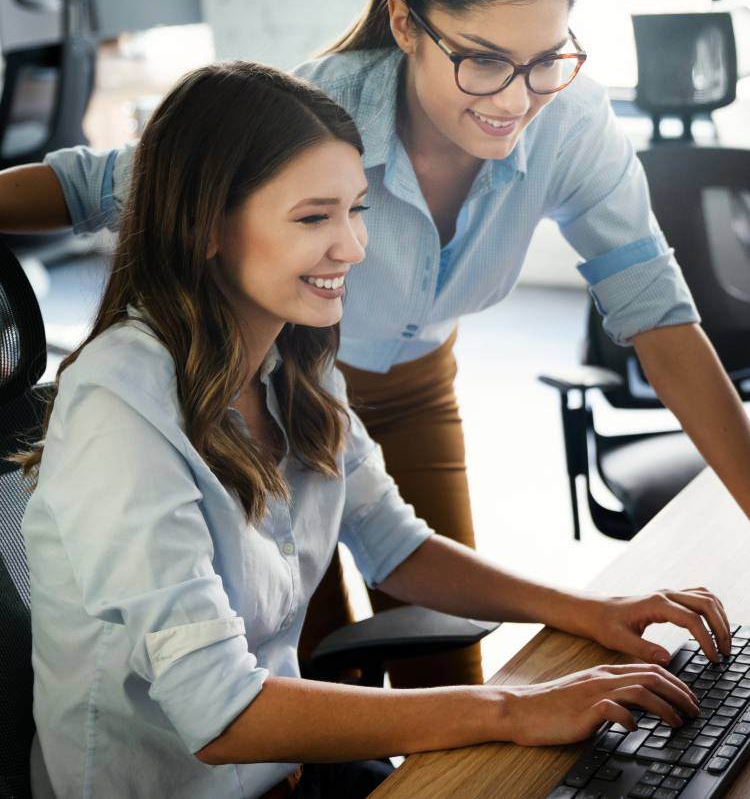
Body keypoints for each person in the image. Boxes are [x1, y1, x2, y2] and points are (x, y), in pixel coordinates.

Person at [4, 0, 750, 693]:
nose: (518, 97)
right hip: (273, 390)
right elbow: (104, 183)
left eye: (543, 60)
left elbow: (658, 314)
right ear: (405, 25)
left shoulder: (569, 120)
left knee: (449, 657)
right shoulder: (318, 118)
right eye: (484, 60)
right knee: (307, 668)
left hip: (393, 383)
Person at [11, 59, 732, 799]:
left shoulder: (295, 358)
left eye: (357, 208)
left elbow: (395, 546)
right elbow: (220, 711)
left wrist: (591, 611)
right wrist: (510, 708)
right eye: (314, 217)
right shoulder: (119, 410)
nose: (355, 246)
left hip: (289, 775)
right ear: (208, 228)